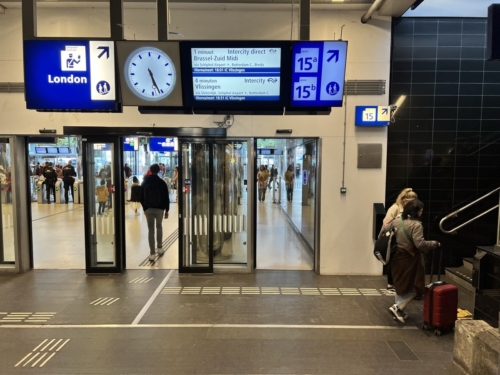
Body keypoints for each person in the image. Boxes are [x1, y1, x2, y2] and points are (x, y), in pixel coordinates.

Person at [383, 199, 440, 323]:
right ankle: (397, 307)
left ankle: (400, 310)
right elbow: (419, 244)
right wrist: (434, 244)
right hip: (410, 259)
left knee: (400, 284)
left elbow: (384, 232)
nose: (422, 212)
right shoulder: (416, 225)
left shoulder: (396, 221)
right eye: (421, 210)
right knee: (416, 286)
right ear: (416, 211)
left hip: (396, 257)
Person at [382, 188, 419, 293]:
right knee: (393, 262)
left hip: (406, 239)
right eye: (410, 201)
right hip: (394, 240)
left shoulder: (412, 209)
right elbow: (386, 224)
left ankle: (403, 284)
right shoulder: (395, 208)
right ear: (403, 200)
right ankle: (391, 284)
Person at [140, 164, 170, 261]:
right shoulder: (162, 182)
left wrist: (144, 208)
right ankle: (160, 248)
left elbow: (141, 196)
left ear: (150, 170)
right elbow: (166, 197)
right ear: (159, 170)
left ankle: (152, 253)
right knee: (159, 227)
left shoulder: (145, 181)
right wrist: (167, 210)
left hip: (149, 208)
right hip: (160, 209)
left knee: (151, 230)